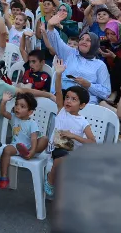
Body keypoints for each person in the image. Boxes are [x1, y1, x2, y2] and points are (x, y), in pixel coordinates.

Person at [44, 57, 95, 199]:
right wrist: (59, 74)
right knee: (62, 158)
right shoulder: (61, 111)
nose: (68, 101)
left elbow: (92, 141)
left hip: (74, 152)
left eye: (74, 99)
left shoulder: (83, 122)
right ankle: (50, 180)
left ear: (82, 105)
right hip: (56, 148)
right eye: (67, 98)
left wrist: (74, 136)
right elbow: (58, 91)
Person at [41, 9, 111, 104]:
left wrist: (89, 85)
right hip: (62, 98)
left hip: (85, 105)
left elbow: (106, 92)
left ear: (94, 44)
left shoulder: (100, 65)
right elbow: (56, 41)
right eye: (82, 39)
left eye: (88, 40)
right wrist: (50, 26)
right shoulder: (70, 53)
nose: (83, 42)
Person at [0, 91, 41, 189]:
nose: (17, 108)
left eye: (22, 106)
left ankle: (27, 153)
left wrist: (32, 150)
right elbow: (2, 112)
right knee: (7, 149)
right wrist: (4, 101)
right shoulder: (14, 117)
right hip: (16, 146)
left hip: (29, 147)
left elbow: (34, 139)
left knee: (44, 139)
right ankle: (4, 177)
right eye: (16, 105)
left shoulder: (32, 123)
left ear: (30, 112)